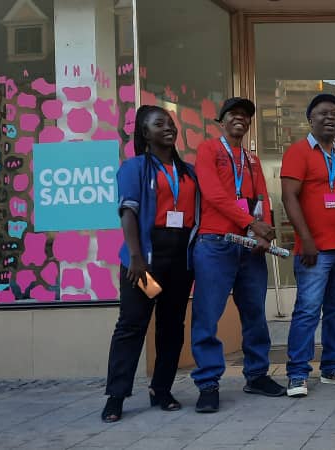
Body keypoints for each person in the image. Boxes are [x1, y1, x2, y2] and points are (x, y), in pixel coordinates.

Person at [102, 105, 199, 423]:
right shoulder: (135, 168)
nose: (168, 127)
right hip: (145, 264)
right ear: (145, 133)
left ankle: (162, 390)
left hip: (179, 264)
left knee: (171, 328)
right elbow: (128, 212)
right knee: (132, 326)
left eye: (170, 122)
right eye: (160, 124)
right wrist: (136, 258)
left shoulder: (188, 172)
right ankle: (116, 396)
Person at [189, 97, 284, 413]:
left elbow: (262, 198)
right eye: (234, 114)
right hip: (215, 244)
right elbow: (214, 194)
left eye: (246, 116)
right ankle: (208, 383)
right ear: (222, 120)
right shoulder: (208, 150)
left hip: (249, 246)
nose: (240, 119)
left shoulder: (252, 159)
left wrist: (264, 230)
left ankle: (256, 375)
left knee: (255, 313)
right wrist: (252, 223)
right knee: (208, 314)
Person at [281, 94, 335, 397]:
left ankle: (332, 368)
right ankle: (297, 374)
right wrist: (308, 240)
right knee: (307, 310)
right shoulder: (298, 152)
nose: (330, 117)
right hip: (315, 249)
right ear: (310, 119)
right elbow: (289, 197)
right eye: (323, 113)